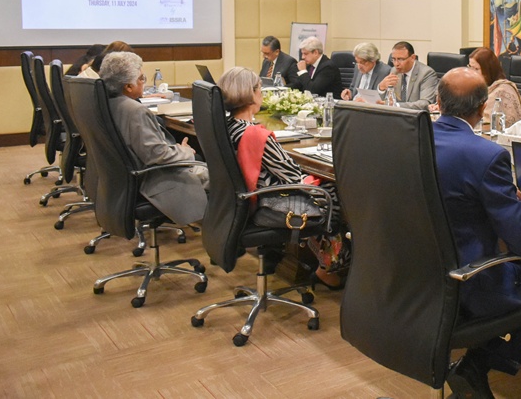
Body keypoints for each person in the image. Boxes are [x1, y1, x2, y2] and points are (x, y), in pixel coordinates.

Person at [433, 68, 521, 398]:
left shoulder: (414, 141)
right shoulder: (487, 155)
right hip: (469, 284)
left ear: (438, 102)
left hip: (419, 278)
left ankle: (475, 363)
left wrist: (509, 203)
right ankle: (478, 363)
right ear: (483, 108)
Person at [219, 67, 350, 287]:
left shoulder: (227, 126)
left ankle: (323, 263)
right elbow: (292, 175)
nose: (262, 93)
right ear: (251, 94)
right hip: (268, 202)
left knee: (321, 187)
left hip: (243, 203)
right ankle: (329, 267)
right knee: (331, 191)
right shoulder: (254, 135)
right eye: (260, 88)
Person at [100, 52, 208, 225]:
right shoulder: (135, 111)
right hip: (153, 180)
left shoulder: (107, 103)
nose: (144, 82)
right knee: (219, 175)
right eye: (141, 78)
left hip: (121, 181)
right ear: (128, 86)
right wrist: (184, 151)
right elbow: (157, 154)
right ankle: (218, 232)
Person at [468, 47, 521, 128]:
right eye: (470, 67)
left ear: (488, 70)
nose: (471, 72)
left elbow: (500, 124)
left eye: (476, 69)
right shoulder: (473, 87)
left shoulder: (504, 90)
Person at [377, 41, 438, 110]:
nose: (396, 64)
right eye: (393, 59)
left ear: (412, 58)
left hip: (415, 115)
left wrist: (396, 105)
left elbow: (425, 103)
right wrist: (381, 88)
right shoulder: (394, 71)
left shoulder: (426, 73)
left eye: (400, 59)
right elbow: (385, 101)